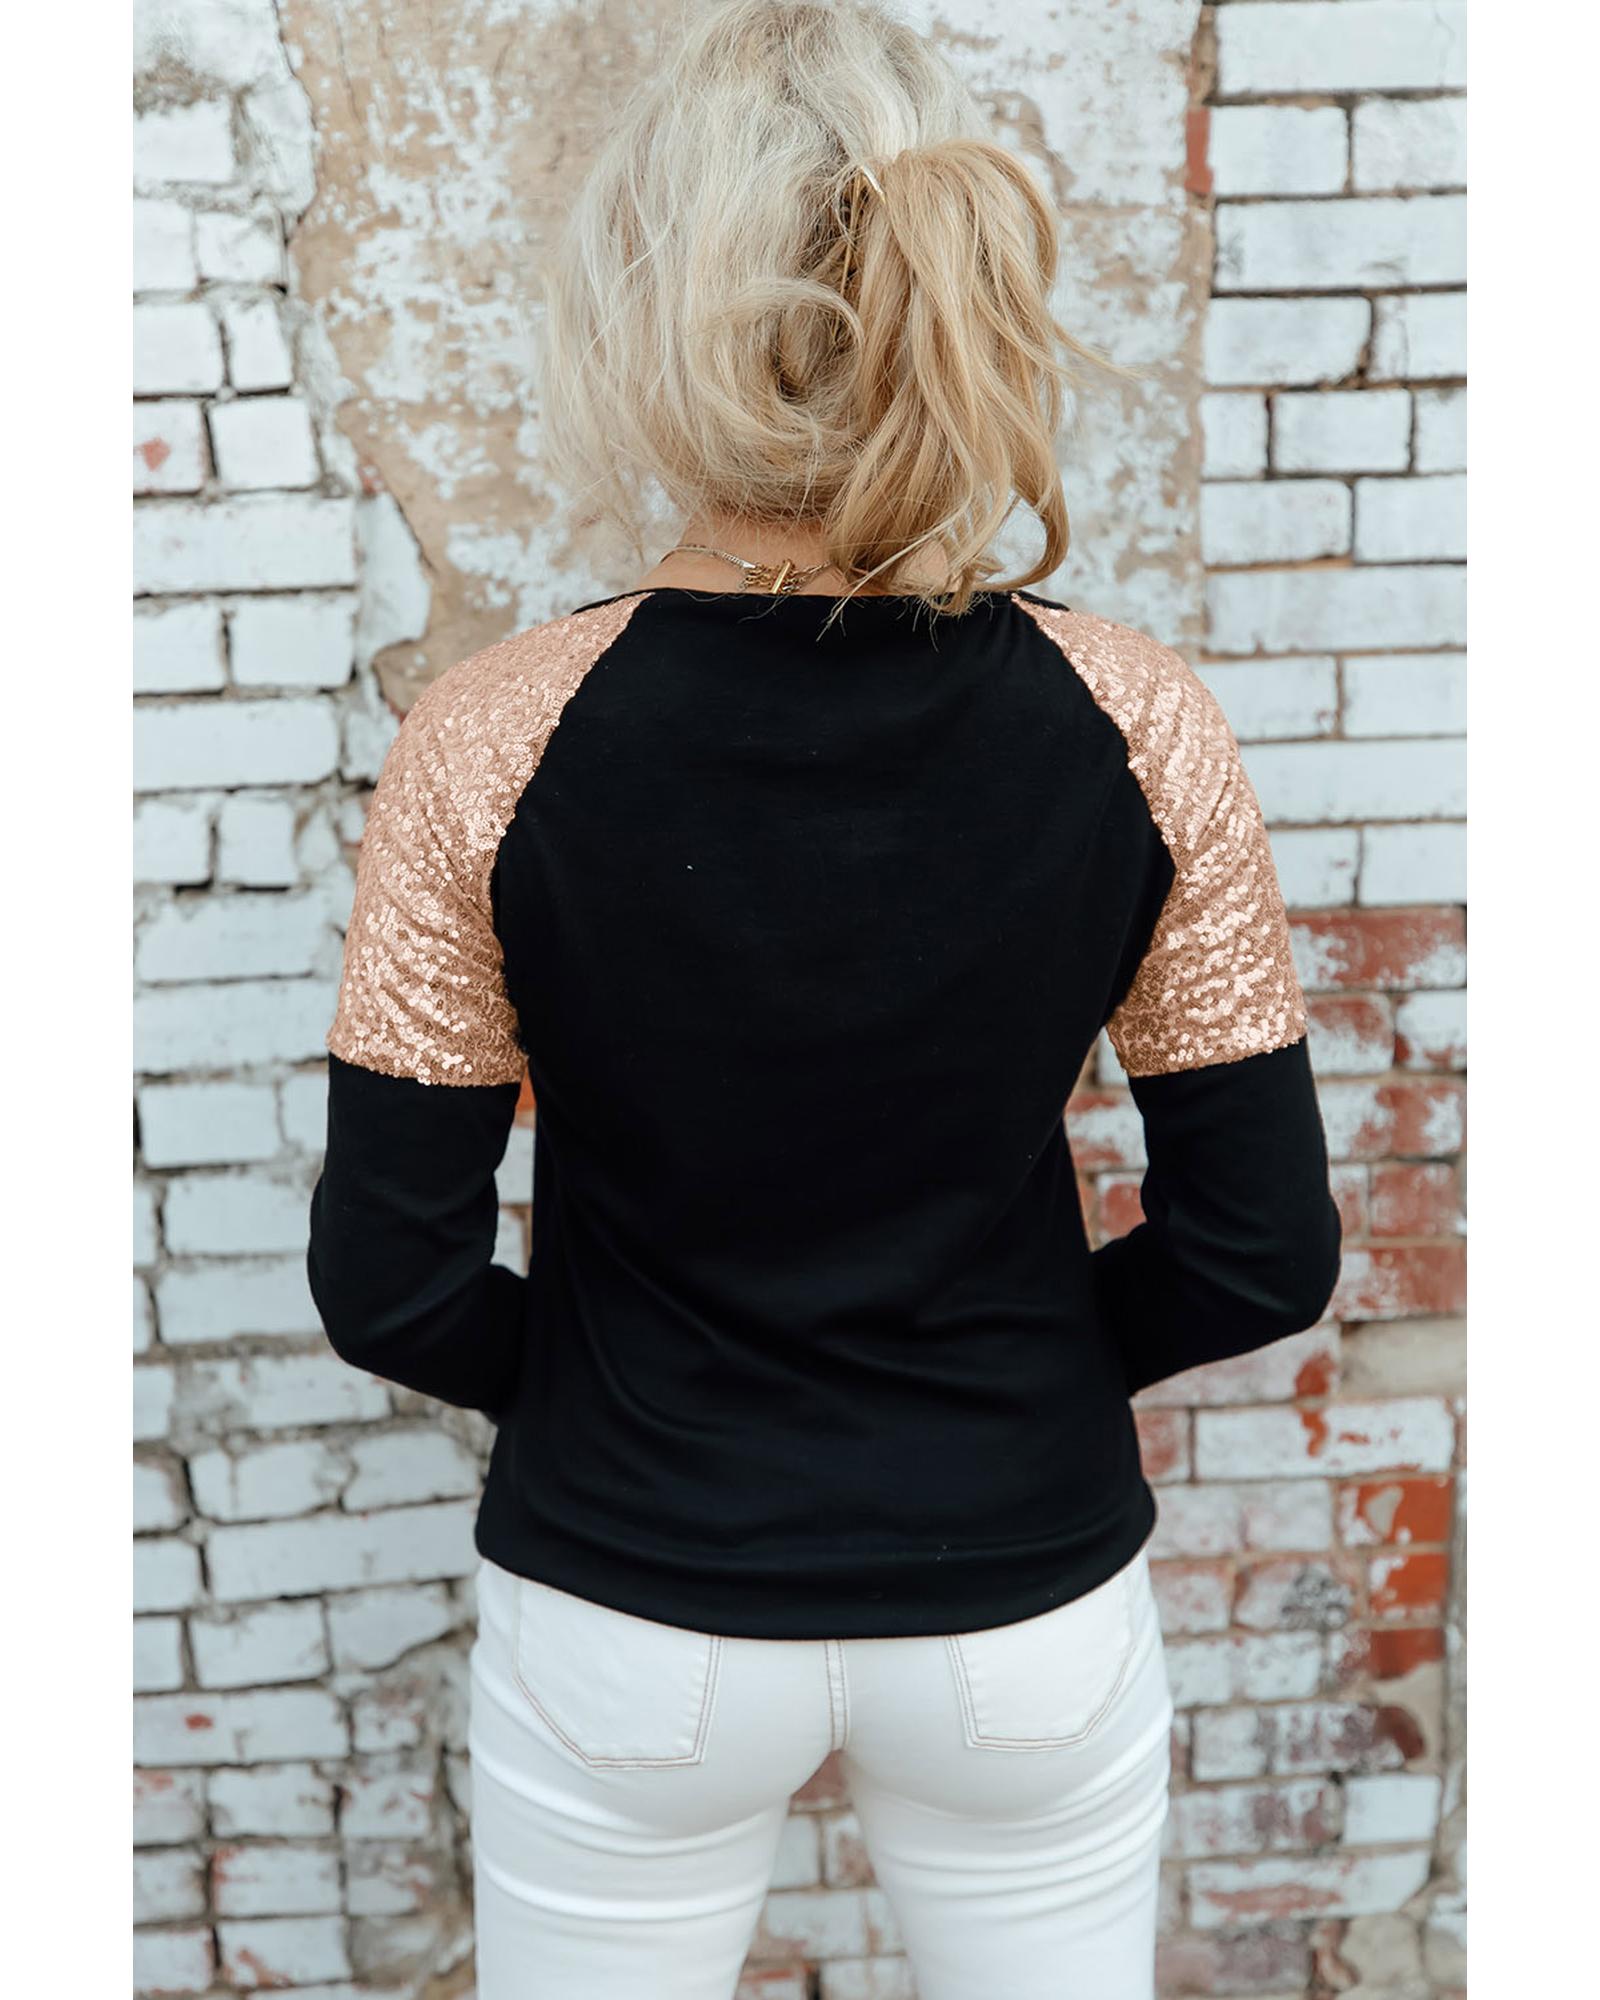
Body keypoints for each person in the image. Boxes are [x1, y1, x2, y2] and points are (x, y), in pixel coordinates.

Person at [306, 3, 1343, 1994]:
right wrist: (1021, 1383)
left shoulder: (492, 741)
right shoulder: (1139, 724)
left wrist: (629, 1393)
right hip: (1021, 1611)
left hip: (634, 1615)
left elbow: (391, 1286)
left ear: (644, 311)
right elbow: (1262, 1251)